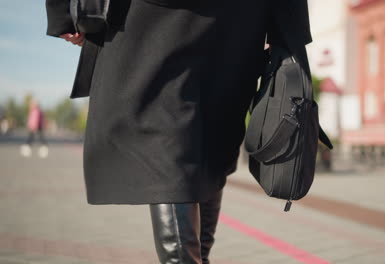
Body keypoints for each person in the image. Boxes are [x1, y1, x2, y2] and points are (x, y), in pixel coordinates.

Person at [45, 0, 312, 263]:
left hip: (155, 18)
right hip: (239, 20)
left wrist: (63, 14)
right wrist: (289, 25)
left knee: (172, 139)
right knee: (209, 140)